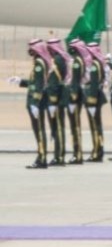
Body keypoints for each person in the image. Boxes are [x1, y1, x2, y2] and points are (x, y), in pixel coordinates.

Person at [9, 39, 52, 169]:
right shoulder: (39, 62)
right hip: (37, 100)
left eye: (32, 48)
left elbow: (39, 85)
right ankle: (41, 157)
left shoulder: (39, 63)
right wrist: (20, 81)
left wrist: (35, 103)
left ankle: (42, 158)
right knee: (39, 130)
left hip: (37, 101)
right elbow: (34, 82)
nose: (30, 50)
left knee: (39, 130)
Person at [44, 38, 70, 166]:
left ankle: (59, 156)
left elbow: (54, 81)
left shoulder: (56, 60)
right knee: (58, 128)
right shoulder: (60, 58)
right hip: (59, 97)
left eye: (49, 47)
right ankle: (59, 155)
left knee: (58, 128)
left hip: (57, 99)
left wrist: (52, 101)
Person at [83, 41, 108, 162]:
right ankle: (98, 151)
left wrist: (91, 101)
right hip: (97, 97)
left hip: (94, 99)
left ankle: (97, 152)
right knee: (97, 126)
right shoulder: (99, 64)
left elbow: (93, 84)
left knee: (95, 127)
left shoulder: (95, 65)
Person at [65, 39, 89, 164]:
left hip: (74, 96)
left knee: (75, 125)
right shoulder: (79, 60)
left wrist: (72, 97)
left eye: (71, 47)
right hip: (77, 94)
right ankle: (77, 153)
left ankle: (77, 154)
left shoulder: (77, 62)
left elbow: (75, 80)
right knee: (75, 125)